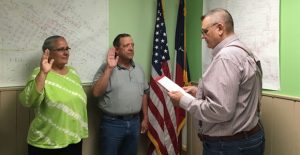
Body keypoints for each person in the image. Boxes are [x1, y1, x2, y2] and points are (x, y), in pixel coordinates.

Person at [168, 8, 265, 155]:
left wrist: (183, 101)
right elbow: (237, 93)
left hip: (230, 146)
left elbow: (221, 110)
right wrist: (199, 92)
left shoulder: (226, 57)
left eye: (205, 31)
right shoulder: (244, 51)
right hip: (249, 138)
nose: (202, 37)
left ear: (220, 28)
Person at [19, 35, 88, 155]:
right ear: (48, 53)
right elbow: (28, 101)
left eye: (67, 49)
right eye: (61, 49)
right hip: (47, 143)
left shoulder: (73, 72)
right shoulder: (39, 73)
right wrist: (43, 73)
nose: (66, 52)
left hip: (73, 139)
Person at [92, 33, 149, 155]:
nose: (131, 48)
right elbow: (96, 93)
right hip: (112, 124)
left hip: (135, 122)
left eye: (132, 45)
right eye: (126, 45)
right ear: (117, 49)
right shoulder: (106, 68)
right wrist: (109, 69)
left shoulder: (138, 69)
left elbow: (144, 93)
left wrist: (145, 117)